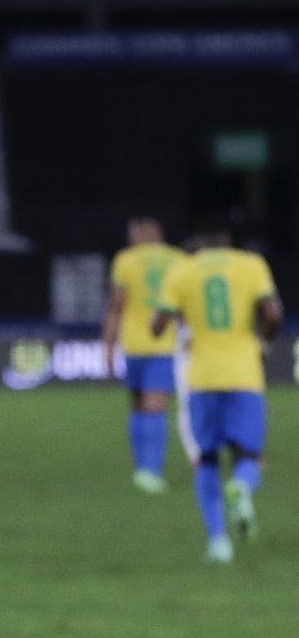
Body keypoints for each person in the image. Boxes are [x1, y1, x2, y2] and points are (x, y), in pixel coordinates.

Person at [152, 220, 281, 563]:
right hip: (244, 374)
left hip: (202, 378)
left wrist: (184, 317)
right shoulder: (252, 266)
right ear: (228, 243)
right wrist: (261, 346)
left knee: (206, 459)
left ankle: (219, 542)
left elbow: (156, 326)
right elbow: (273, 314)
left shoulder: (182, 271)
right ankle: (241, 485)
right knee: (248, 456)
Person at [100, 217, 185, 492]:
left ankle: (142, 467)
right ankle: (150, 470)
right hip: (164, 343)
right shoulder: (178, 258)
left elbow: (116, 306)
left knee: (138, 404)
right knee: (155, 406)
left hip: (133, 342)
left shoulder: (126, 260)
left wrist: (108, 345)